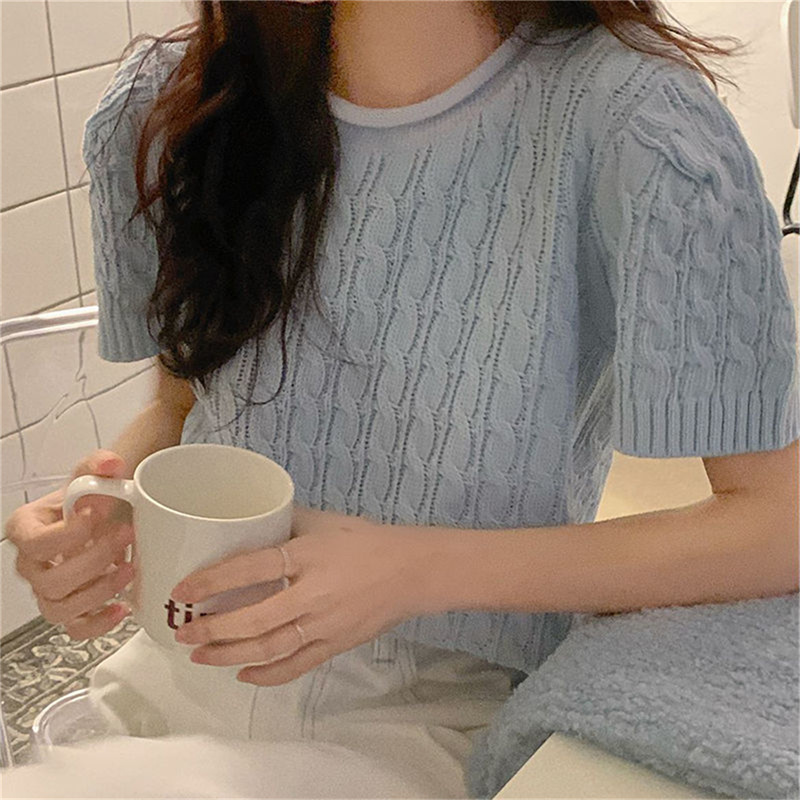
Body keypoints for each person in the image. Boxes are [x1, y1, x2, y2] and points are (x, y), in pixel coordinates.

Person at [4, 1, 798, 797]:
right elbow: (180, 410)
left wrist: (410, 570)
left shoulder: (641, 128)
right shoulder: (178, 97)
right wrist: (103, 513)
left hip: (438, 709)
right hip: (177, 672)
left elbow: (775, 526)